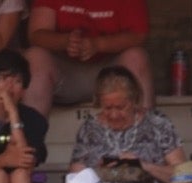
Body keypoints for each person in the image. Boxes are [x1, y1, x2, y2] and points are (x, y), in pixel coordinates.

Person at [69, 66, 185, 183]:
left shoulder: (158, 125)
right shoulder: (89, 129)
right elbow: (75, 177)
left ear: (134, 101)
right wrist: (97, 173)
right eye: (107, 108)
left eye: (121, 107)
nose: (114, 114)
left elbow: (183, 175)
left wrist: (145, 166)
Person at [22, 0, 151, 119]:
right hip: (65, 73)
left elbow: (138, 35)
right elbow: (36, 34)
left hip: (111, 74)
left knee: (136, 57)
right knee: (34, 56)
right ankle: (28, 138)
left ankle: (146, 135)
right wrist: (65, 42)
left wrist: (99, 44)